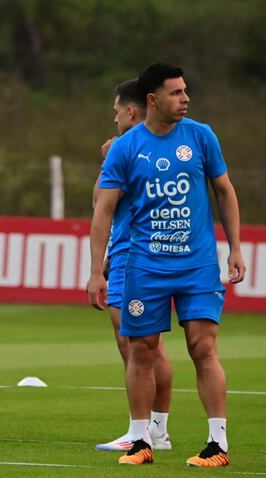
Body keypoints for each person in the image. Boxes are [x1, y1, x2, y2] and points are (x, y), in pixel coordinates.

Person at [88, 63, 245, 467]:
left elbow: (225, 192)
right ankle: (142, 441)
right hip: (145, 266)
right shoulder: (126, 147)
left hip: (196, 265)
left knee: (203, 348)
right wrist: (94, 270)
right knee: (141, 350)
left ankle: (217, 444)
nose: (185, 98)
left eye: (185, 91)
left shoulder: (201, 136)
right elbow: (103, 211)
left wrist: (236, 248)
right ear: (153, 100)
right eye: (176, 93)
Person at [92, 79, 174, 452]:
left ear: (130, 111)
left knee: (135, 346)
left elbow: (101, 203)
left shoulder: (127, 148)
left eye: (115, 112)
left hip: (133, 256)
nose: (113, 120)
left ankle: (142, 431)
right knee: (150, 347)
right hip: (140, 251)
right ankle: (157, 430)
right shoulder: (163, 144)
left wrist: (108, 160)